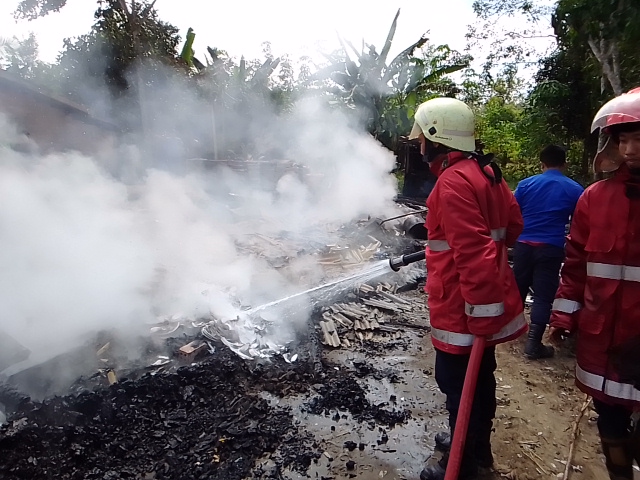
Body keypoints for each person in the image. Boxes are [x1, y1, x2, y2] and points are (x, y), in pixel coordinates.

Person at [408, 97, 527, 480]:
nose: (419, 146)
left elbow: (473, 251)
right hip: (480, 298)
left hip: (463, 305)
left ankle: (463, 466)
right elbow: (512, 228)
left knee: (458, 384)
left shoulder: (453, 181)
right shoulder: (488, 173)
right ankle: (477, 448)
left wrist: (480, 311)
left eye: (423, 138)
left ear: (436, 138)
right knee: (479, 378)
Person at [549, 87, 640, 480]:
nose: (630, 149)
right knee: (610, 419)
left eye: (639, 139)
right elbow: (576, 265)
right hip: (603, 336)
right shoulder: (594, 198)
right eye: (623, 140)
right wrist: (563, 317)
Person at [512, 145, 583, 360]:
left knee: (518, 287)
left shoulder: (526, 185)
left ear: (542, 164)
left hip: (523, 244)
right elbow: (580, 223)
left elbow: (512, 214)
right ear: (564, 164)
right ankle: (533, 344)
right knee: (543, 296)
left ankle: (508, 333)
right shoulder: (575, 189)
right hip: (551, 247)